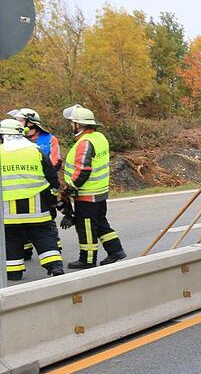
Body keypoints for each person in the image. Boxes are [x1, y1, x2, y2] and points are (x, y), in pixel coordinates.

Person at [62, 104, 126, 269]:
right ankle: (116, 251)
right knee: (101, 223)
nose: (70, 125)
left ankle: (87, 260)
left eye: (72, 122)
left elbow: (83, 170)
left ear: (79, 124)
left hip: (87, 194)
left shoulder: (85, 142)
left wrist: (70, 187)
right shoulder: (100, 138)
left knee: (86, 227)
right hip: (100, 192)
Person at [1, 118, 64, 280]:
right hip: (37, 207)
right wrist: (55, 197)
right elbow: (52, 177)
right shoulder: (35, 150)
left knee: (12, 240)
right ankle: (55, 266)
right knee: (43, 235)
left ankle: (14, 273)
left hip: (8, 211)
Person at [16, 109, 62, 261]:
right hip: (22, 187)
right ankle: (26, 250)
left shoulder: (49, 139)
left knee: (47, 217)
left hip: (44, 186)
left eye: (21, 120)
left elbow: (55, 162)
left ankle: (54, 247)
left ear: (30, 123)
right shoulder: (15, 140)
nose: (18, 123)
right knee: (22, 218)